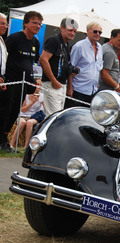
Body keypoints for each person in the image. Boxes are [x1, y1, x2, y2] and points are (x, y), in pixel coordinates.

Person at [1, 11, 42, 152]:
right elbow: (4, 56)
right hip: (10, 82)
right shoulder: (14, 38)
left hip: (24, 84)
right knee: (5, 111)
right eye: (34, 23)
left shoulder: (36, 42)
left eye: (39, 24)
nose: (38, 26)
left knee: (14, 113)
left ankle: (4, 140)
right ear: (25, 23)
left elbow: (33, 63)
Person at [39, 17, 78, 115]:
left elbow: (67, 67)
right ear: (62, 28)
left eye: (74, 31)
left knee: (57, 116)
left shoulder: (66, 44)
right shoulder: (54, 40)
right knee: (54, 117)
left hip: (62, 84)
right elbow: (43, 60)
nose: (72, 33)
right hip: (52, 84)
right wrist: (53, 80)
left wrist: (69, 86)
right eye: (70, 30)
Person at [68, 22, 104, 105]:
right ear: (88, 31)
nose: (97, 34)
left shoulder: (100, 47)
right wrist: (70, 88)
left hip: (93, 91)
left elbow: (97, 67)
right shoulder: (79, 46)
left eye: (100, 32)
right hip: (78, 90)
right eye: (95, 31)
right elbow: (70, 68)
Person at [9, 79, 45, 148]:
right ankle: (11, 144)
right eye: (37, 84)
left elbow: (46, 109)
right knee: (22, 122)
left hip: (34, 116)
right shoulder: (27, 95)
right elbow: (22, 110)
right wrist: (32, 103)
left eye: (40, 85)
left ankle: (26, 146)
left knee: (29, 123)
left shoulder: (42, 96)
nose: (38, 86)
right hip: (23, 115)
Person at [98, 28, 120, 93]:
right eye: (119, 40)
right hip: (105, 90)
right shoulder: (110, 52)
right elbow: (105, 74)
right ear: (112, 38)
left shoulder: (106, 47)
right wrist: (116, 87)